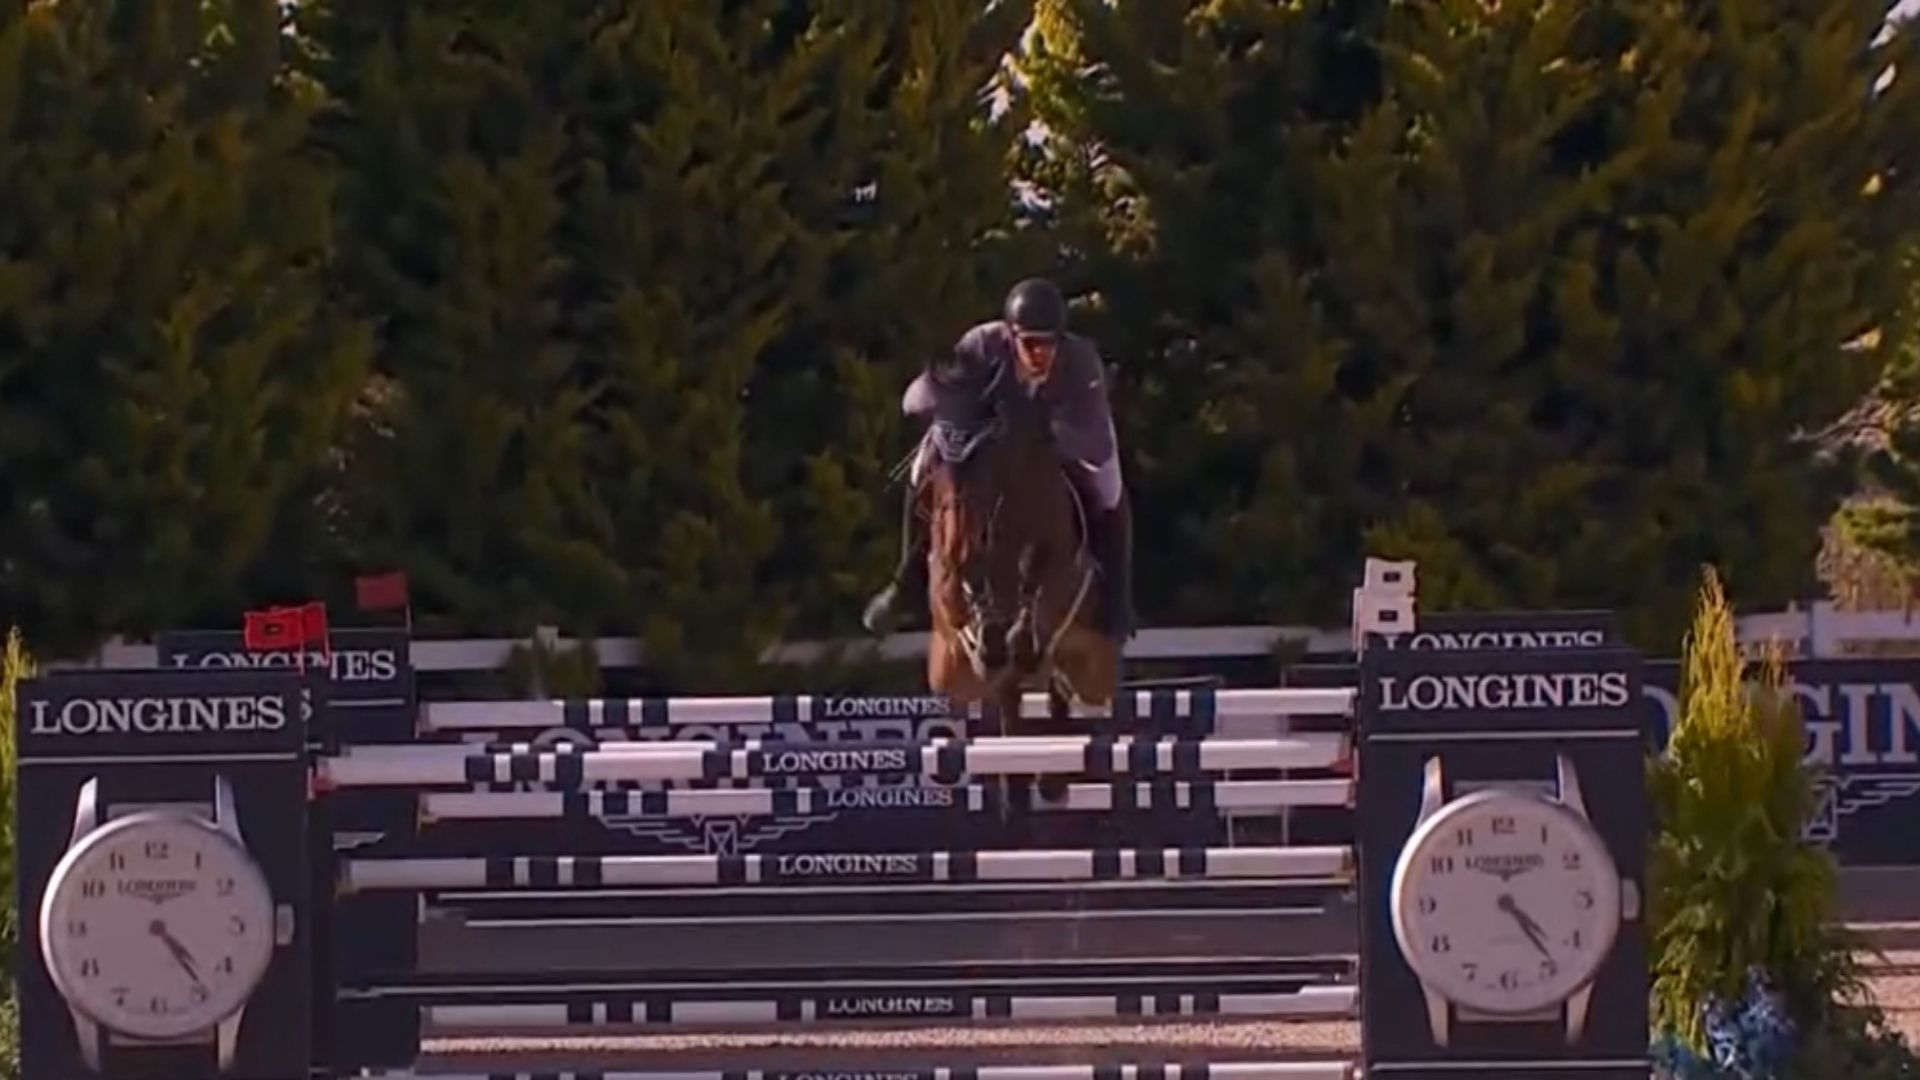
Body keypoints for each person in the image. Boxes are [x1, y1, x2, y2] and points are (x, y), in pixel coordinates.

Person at [861, 277, 1134, 644]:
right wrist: (934, 393)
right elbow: (921, 397)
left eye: (1048, 343)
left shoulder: (1081, 362)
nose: (1039, 353)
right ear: (1010, 335)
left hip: (1064, 440)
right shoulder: (981, 344)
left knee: (1110, 489)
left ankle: (1116, 601)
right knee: (922, 466)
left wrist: (1043, 431)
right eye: (1030, 343)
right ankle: (903, 583)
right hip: (986, 437)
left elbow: (1094, 439)